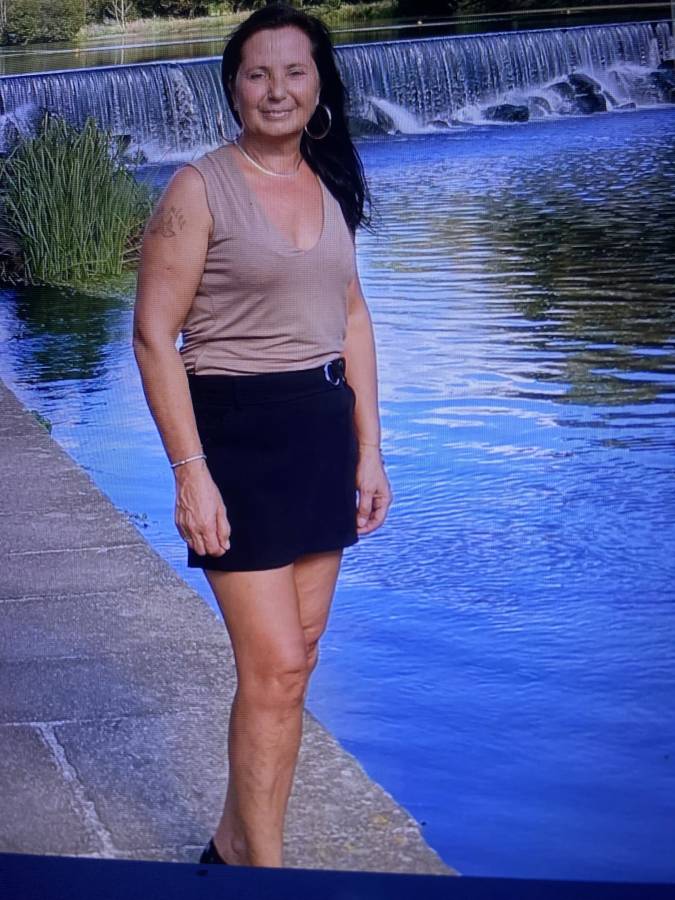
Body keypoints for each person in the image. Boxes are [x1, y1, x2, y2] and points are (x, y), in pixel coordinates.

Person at [132, 1, 392, 869]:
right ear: (233, 89)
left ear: (319, 85)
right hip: (237, 443)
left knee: (297, 661)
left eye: (294, 71)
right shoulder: (198, 189)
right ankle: (265, 875)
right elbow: (153, 335)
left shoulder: (330, 180)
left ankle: (232, 847)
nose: (276, 89)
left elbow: (351, 317)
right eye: (256, 73)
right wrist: (190, 473)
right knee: (274, 663)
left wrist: (369, 450)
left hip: (319, 435)